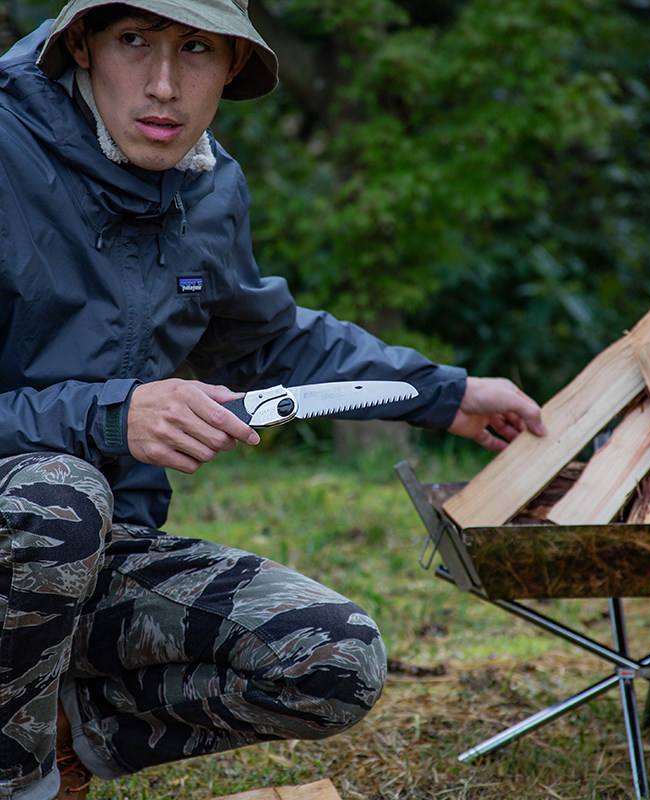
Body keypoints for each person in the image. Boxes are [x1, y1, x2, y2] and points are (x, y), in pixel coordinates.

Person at [0, 1, 547, 797]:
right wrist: (112, 415)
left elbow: (267, 341)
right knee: (60, 495)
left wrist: (446, 394)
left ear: (233, 64)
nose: (164, 85)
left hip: (93, 557)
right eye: (134, 42)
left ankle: (63, 734)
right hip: (33, 522)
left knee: (333, 657)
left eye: (195, 48)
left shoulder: (207, 188)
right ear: (80, 44)